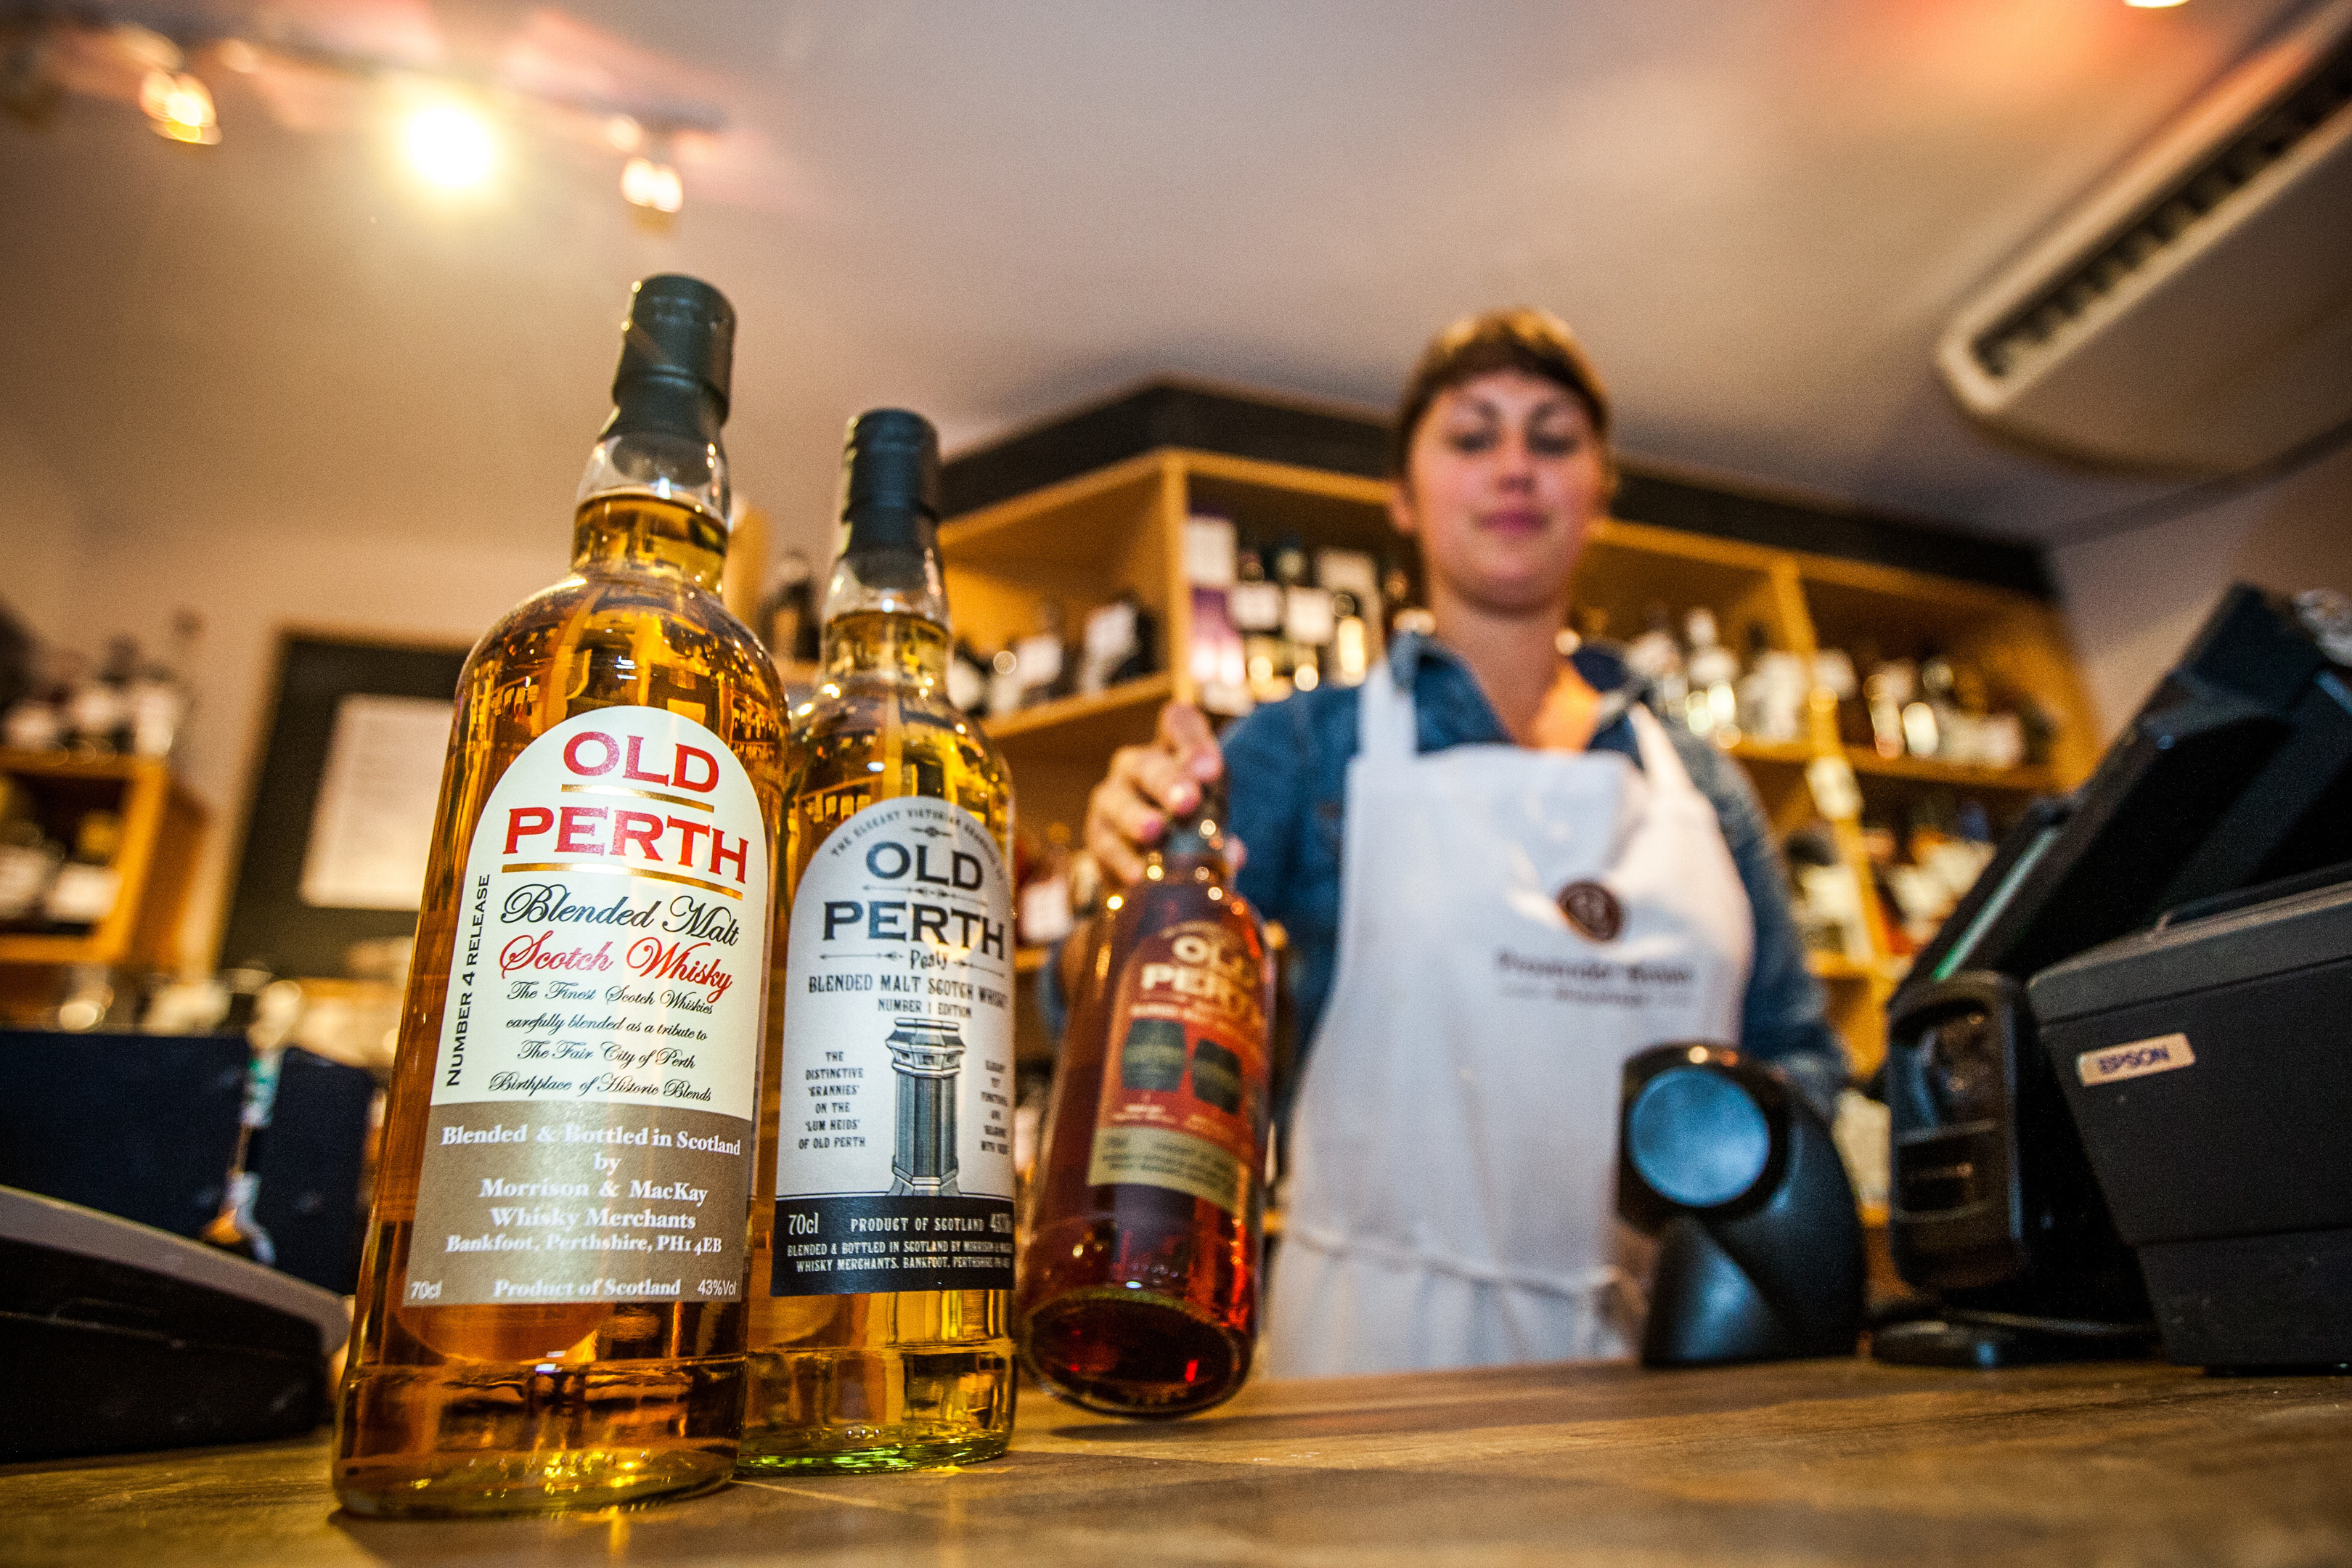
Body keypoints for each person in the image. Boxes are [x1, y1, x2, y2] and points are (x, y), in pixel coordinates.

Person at [1082, 308, 1845, 1377]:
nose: (1515, 468)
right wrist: (1122, 877)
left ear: (1599, 491)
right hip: (1379, 1352)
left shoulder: (1699, 778)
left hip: (1676, 1352)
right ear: (1403, 494)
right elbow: (1113, 1017)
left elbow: (1799, 1055)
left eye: (1553, 438)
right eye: (1473, 436)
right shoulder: (1308, 746)